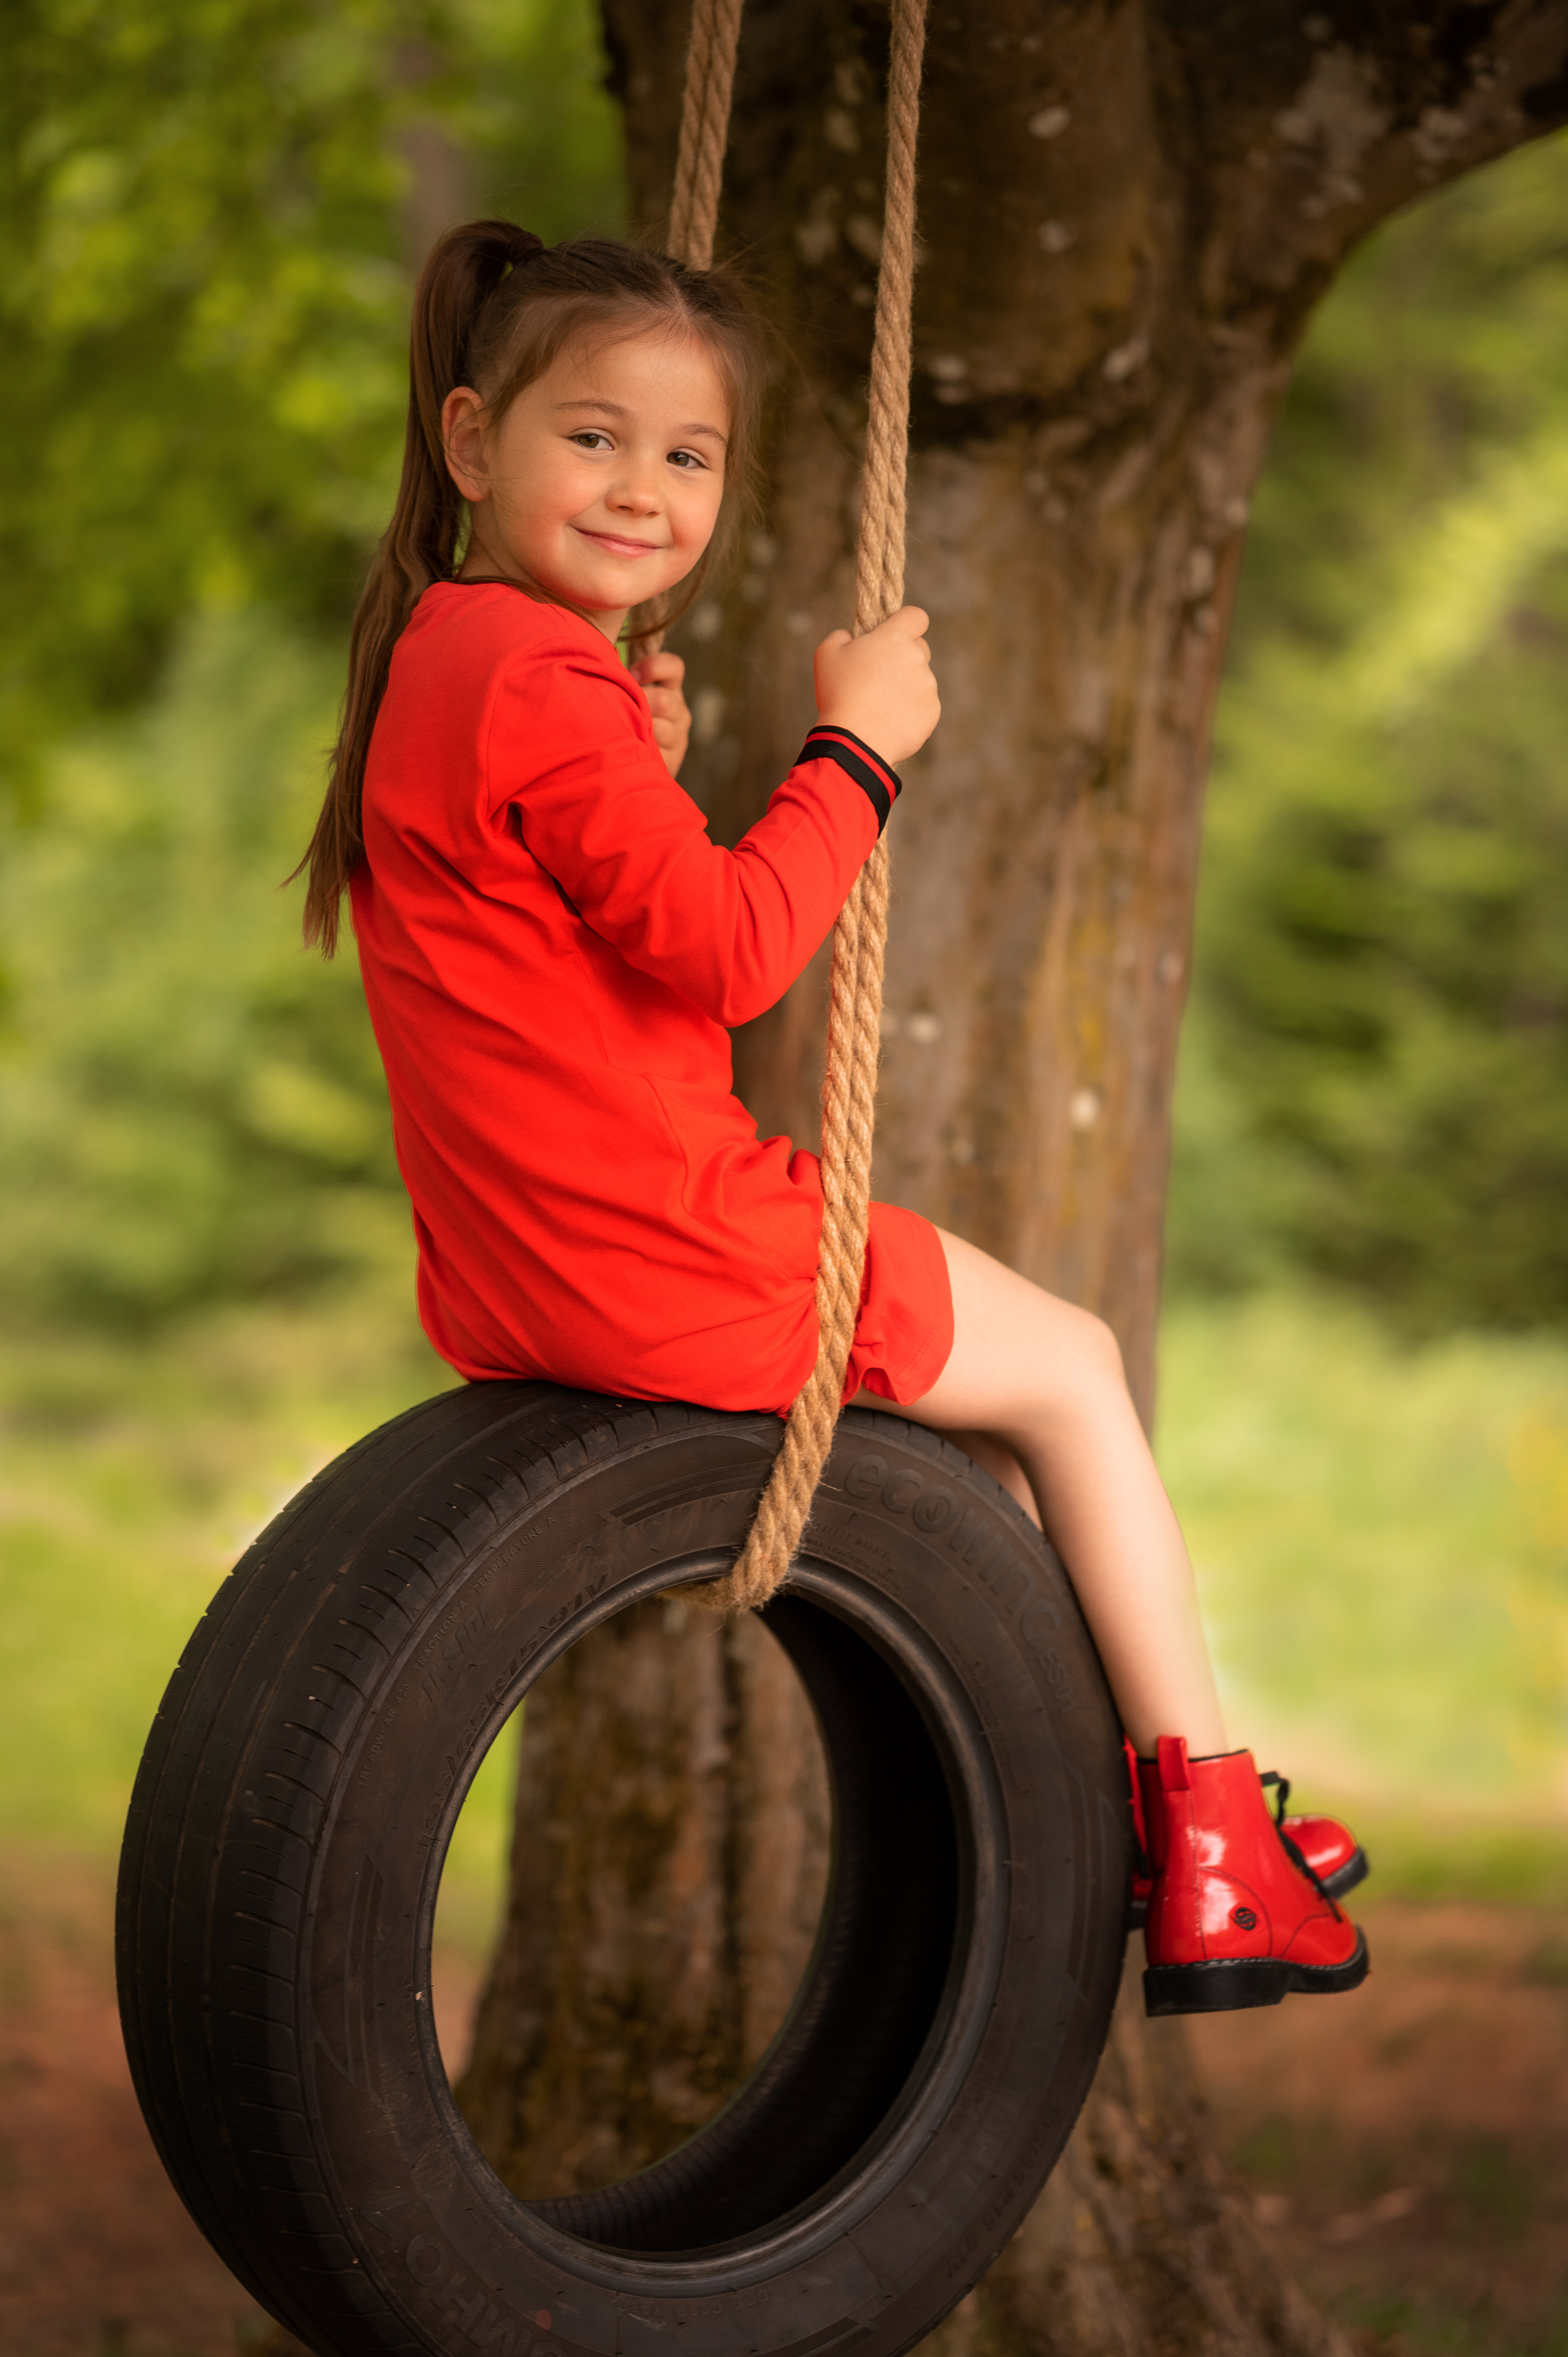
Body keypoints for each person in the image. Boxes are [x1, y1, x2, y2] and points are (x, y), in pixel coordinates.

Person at [296, 219, 1368, 2018]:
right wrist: (856, 749)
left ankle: (1138, 1808)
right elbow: (726, 951)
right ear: (474, 442)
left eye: (689, 454)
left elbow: (566, 912)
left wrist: (637, 749)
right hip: (666, 1244)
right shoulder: (542, 675)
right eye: (594, 437)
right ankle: (1215, 1848)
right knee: (1084, 1367)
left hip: (526, 1270)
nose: (643, 486)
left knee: (1015, 1435)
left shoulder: (449, 653)